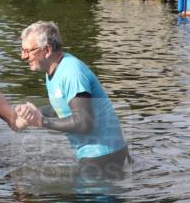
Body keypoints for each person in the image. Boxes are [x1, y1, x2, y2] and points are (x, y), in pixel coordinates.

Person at [15, 21, 128, 174]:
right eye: (22, 50)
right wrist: (36, 112)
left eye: (28, 51)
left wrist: (41, 121)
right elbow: (64, 108)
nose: (23, 56)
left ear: (47, 49)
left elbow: (83, 123)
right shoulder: (54, 70)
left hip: (105, 155)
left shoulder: (71, 72)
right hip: (96, 155)